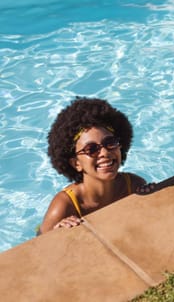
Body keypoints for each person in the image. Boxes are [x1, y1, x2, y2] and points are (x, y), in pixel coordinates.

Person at [38, 97, 146, 234]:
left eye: (110, 142)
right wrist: (57, 231)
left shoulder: (134, 185)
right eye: (91, 149)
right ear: (76, 163)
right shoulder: (64, 206)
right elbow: (36, 247)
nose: (105, 153)